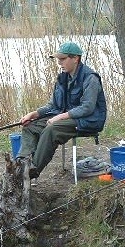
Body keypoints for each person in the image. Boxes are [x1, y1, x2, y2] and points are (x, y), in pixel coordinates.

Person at [17, 42, 107, 179]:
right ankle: (22, 163)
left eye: (63, 59)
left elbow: (87, 108)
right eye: (58, 59)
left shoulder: (90, 78)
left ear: (76, 58)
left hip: (88, 120)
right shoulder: (62, 78)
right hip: (66, 118)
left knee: (51, 129)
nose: (59, 63)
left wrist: (61, 117)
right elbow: (53, 105)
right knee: (30, 126)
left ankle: (32, 170)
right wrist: (35, 113)